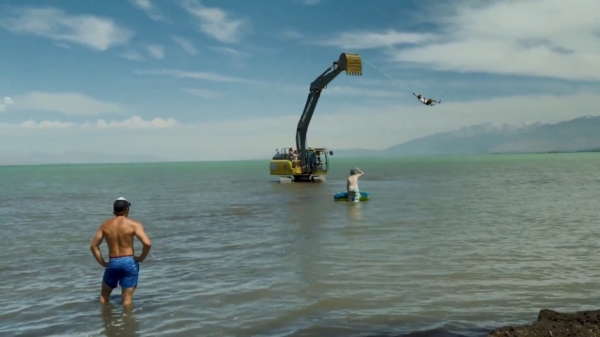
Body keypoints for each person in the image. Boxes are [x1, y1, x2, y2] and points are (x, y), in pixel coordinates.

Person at [90, 197, 152, 307]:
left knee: (104, 296)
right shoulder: (134, 224)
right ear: (127, 209)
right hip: (129, 261)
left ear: (114, 211)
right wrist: (141, 258)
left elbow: (94, 246)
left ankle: (105, 321)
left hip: (113, 261)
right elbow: (147, 243)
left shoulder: (105, 225)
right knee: (127, 301)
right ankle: (127, 322)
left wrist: (103, 263)